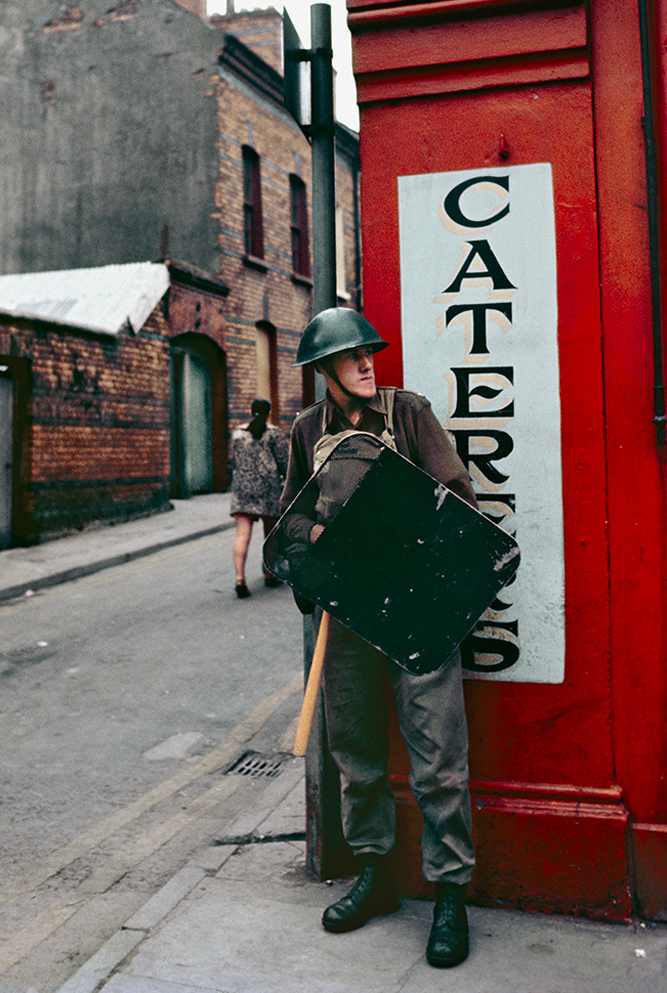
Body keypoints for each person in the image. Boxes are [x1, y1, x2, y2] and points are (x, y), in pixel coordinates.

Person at [280, 307, 477, 968]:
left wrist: (398, 532)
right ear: (322, 372)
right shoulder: (307, 432)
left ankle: (450, 893)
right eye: (350, 356)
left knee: (439, 756)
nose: (367, 363)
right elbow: (292, 522)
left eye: (369, 352)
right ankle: (377, 878)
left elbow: (458, 498)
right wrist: (323, 544)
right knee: (357, 756)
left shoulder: (411, 413)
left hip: (418, 608)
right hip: (350, 617)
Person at [229, 399, 289, 599]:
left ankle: (240, 579)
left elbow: (234, 461)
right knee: (271, 534)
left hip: (242, 488)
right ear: (269, 413)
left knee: (242, 535)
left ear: (251, 411)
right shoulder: (273, 433)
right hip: (267, 488)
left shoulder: (237, 434)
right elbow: (284, 462)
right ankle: (270, 574)